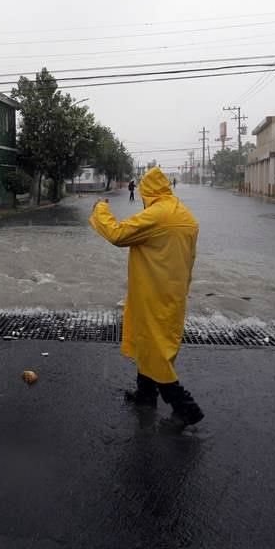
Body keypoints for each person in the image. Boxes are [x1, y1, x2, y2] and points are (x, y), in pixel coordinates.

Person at [89, 167, 204, 428]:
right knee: (150, 344)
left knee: (155, 351)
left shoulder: (158, 215)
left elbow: (117, 234)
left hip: (153, 292)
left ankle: (185, 408)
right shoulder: (183, 213)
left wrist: (100, 209)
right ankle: (145, 396)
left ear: (148, 191)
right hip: (171, 291)